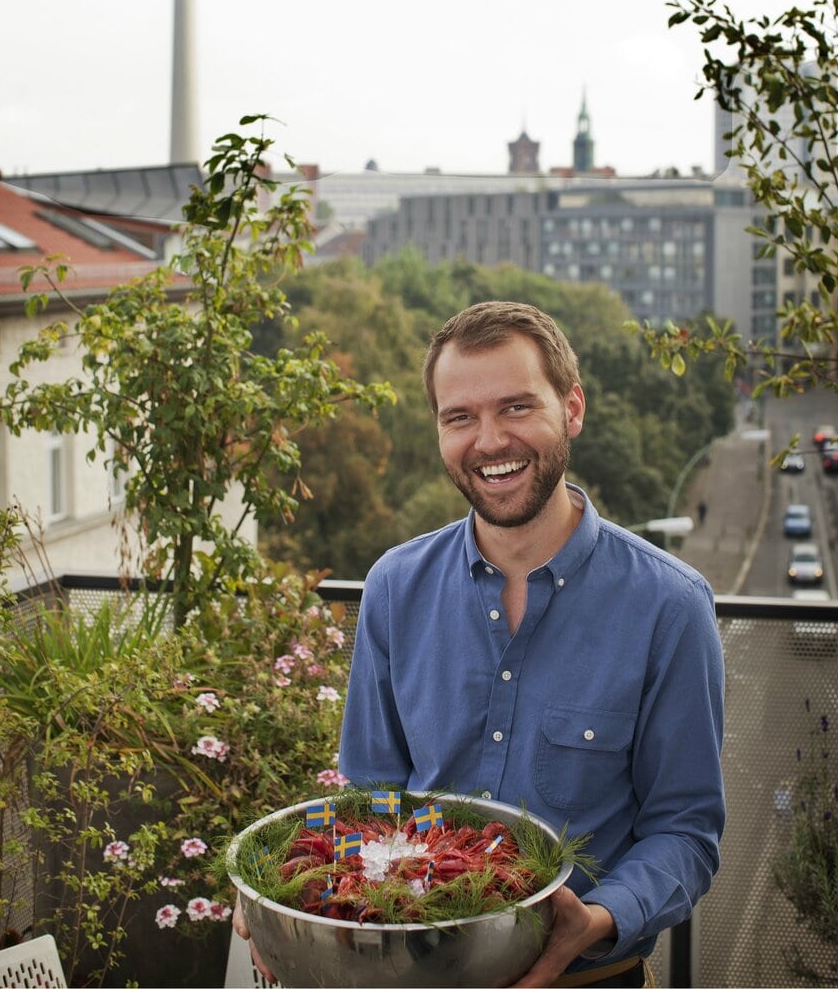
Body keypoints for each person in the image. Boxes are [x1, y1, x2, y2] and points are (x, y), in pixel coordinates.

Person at [235, 300, 725, 988]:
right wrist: (292, 896)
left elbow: (685, 831)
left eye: (516, 407)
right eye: (459, 417)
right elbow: (369, 799)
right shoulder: (394, 587)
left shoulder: (670, 606)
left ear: (572, 409)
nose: (489, 441)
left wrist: (597, 918)